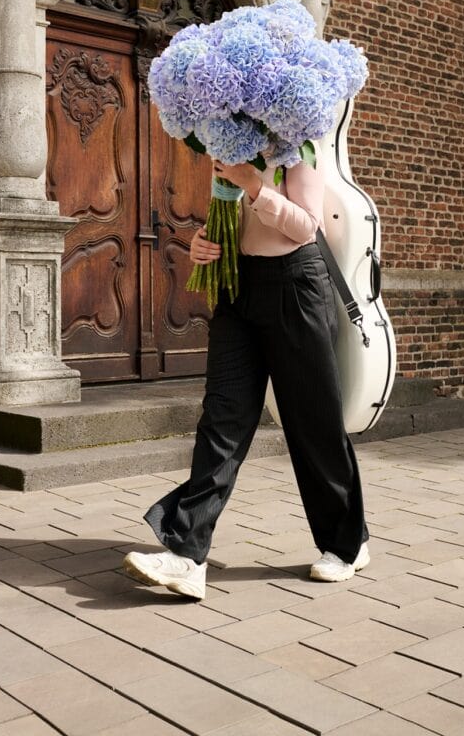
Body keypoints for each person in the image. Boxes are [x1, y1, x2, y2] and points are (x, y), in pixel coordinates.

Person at [123, 147, 370, 600]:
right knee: (222, 419)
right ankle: (187, 555)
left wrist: (253, 184)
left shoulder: (299, 145)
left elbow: (305, 226)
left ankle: (345, 545)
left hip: (296, 285)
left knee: (312, 423)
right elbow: (231, 222)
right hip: (239, 289)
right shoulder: (228, 143)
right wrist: (203, 243)